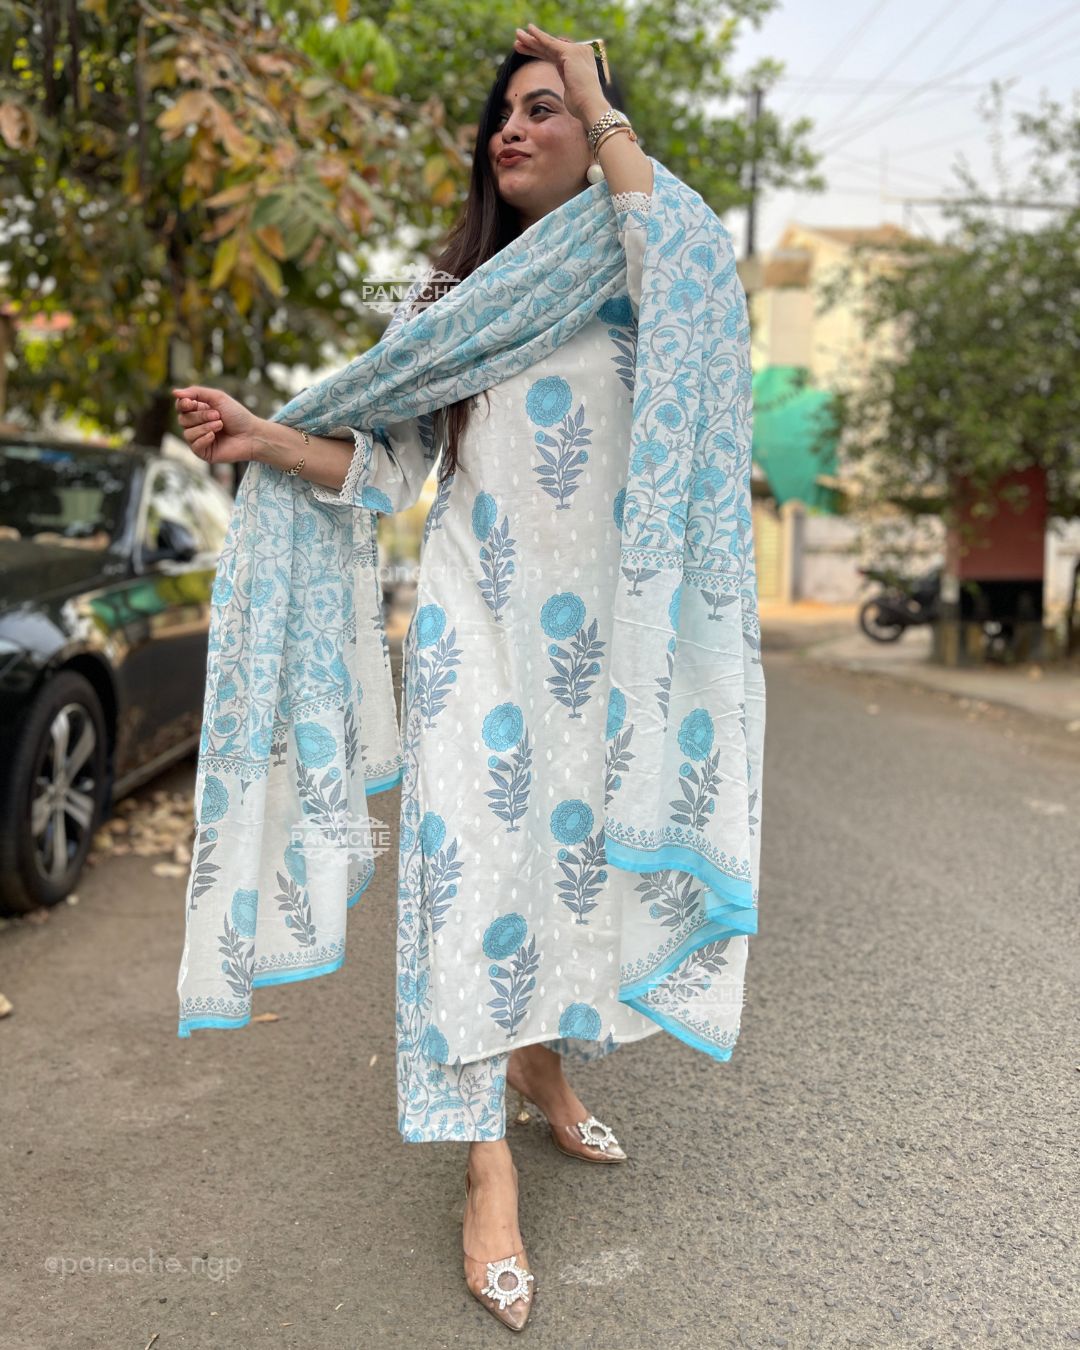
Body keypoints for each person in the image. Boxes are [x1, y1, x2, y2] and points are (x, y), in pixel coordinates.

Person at [174, 26, 759, 1333]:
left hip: (598, 656)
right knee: (468, 883)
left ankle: (542, 1069)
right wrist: (269, 438)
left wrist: (600, 95)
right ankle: (486, 1166)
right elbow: (386, 467)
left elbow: (693, 299)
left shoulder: (645, 255)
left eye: (545, 107)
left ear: (596, 127)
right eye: (504, 112)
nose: (512, 127)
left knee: (564, 871)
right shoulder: (448, 306)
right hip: (470, 637)